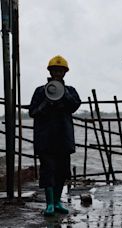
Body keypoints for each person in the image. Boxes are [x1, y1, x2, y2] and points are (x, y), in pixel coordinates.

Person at [29, 55, 81, 216]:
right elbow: (32, 112)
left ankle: (57, 202)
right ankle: (49, 204)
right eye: (55, 70)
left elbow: (74, 106)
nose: (58, 73)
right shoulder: (40, 91)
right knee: (48, 171)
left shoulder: (70, 91)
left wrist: (63, 94)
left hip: (63, 138)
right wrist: (46, 102)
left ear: (65, 73)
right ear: (50, 72)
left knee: (62, 171)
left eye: (61, 71)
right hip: (45, 138)